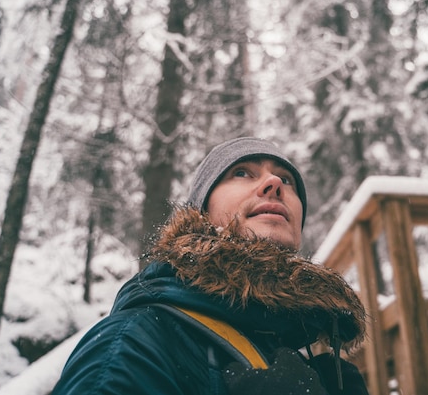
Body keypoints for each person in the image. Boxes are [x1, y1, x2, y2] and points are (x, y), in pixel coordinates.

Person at [52, 137, 369, 395]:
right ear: (200, 212)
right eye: (242, 172)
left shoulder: (309, 351)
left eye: (286, 179)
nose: (274, 183)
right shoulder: (136, 341)